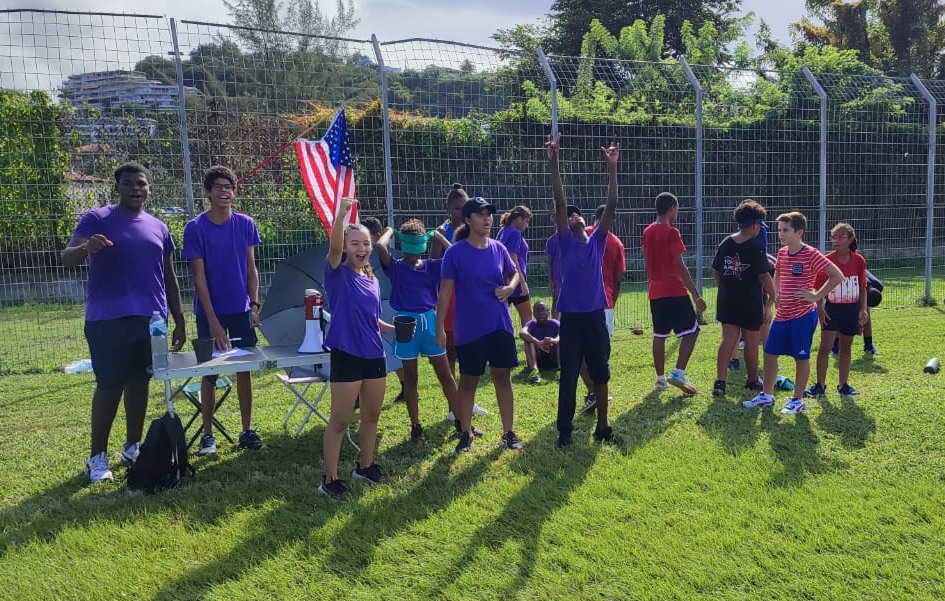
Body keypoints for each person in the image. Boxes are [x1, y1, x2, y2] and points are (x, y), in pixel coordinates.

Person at [62, 161, 186, 483]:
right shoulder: (97, 219)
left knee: (140, 382)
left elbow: (169, 278)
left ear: (149, 188)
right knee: (109, 385)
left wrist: (180, 318)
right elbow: (66, 256)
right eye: (129, 183)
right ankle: (97, 458)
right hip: (108, 320)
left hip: (152, 319)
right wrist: (86, 247)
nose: (136, 189)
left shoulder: (159, 227)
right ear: (117, 187)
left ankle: (132, 448)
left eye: (141, 184)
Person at [182, 166, 264, 456]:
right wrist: (214, 323)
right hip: (209, 315)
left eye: (229, 186)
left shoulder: (245, 224)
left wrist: (253, 305)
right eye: (218, 186)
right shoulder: (195, 228)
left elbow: (251, 269)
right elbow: (199, 279)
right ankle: (208, 435)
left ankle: (246, 430)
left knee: (244, 370)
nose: (224, 191)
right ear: (207, 192)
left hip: (240, 312)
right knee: (210, 373)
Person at [546, 134, 622, 448]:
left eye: (580, 216)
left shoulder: (598, 241)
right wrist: (554, 163)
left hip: (594, 316)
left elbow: (613, 204)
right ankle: (565, 431)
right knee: (568, 376)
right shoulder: (564, 241)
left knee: (601, 373)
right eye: (571, 216)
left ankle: (603, 427)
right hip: (573, 320)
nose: (575, 216)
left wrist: (613, 167)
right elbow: (560, 201)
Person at [435, 196, 523, 454]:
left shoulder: (498, 248)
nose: (487, 219)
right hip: (470, 329)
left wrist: (510, 288)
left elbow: (515, 273)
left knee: (503, 379)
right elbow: (445, 293)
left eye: (489, 214)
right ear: (467, 220)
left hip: (500, 324)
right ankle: (465, 433)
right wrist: (439, 327)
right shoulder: (455, 253)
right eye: (481, 214)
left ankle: (508, 433)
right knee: (468, 382)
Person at [319, 198, 392, 500]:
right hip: (347, 353)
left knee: (372, 415)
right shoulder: (337, 272)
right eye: (354, 244)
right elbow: (333, 247)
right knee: (340, 420)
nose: (361, 249)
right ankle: (330, 480)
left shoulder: (371, 279)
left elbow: (372, 319)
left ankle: (365, 465)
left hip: (374, 353)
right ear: (346, 247)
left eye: (365, 244)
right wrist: (342, 214)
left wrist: (393, 329)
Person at [743, 211, 844, 414]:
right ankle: (767, 396)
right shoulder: (782, 253)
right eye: (780, 230)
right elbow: (778, 274)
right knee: (770, 352)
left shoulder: (811, 253)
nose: (781, 234)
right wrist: (775, 296)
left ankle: (797, 401)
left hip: (803, 316)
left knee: (801, 357)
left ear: (799, 232)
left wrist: (816, 296)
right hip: (782, 315)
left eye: (786, 230)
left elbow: (837, 275)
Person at [376, 219, 462, 443]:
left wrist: (437, 236)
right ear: (404, 245)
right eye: (410, 247)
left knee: (445, 373)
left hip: (431, 322)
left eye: (417, 247)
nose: (413, 255)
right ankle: (416, 426)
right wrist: (390, 231)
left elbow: (454, 254)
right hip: (406, 323)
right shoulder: (395, 267)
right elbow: (381, 247)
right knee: (411, 377)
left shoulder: (431, 266)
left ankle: (462, 422)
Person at [431, 184, 489, 421]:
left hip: (472, 301)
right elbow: (434, 268)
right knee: (451, 354)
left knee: (470, 353)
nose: (460, 212)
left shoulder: (473, 231)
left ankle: (469, 402)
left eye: (463, 207)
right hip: (451, 300)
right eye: (456, 208)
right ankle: (452, 407)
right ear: (448, 209)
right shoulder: (440, 234)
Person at [641, 192, 707, 395]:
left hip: (655, 291)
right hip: (674, 290)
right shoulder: (672, 232)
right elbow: (680, 264)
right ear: (672, 209)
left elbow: (646, 260)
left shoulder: (647, 231)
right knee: (692, 331)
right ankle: (678, 372)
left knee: (659, 335)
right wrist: (696, 295)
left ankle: (661, 380)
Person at [711, 199, 776, 397]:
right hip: (750, 301)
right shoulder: (756, 246)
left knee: (728, 339)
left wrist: (723, 288)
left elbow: (716, 269)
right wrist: (774, 297)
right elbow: (764, 276)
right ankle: (752, 380)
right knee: (750, 340)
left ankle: (720, 382)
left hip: (727, 300)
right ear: (756, 224)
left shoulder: (726, 242)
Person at [805, 223, 869, 398]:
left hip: (851, 309)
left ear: (850, 239)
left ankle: (843, 384)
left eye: (840, 237)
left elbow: (863, 288)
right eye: (833, 237)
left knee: (846, 348)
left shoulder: (858, 260)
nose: (836, 240)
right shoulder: (827, 261)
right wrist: (819, 308)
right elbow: (815, 289)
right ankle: (820, 384)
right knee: (825, 347)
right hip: (832, 309)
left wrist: (863, 309)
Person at [360, 216, 408, 402]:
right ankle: (358, 391)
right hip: (370, 307)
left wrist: (389, 231)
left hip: (387, 303)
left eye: (367, 238)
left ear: (376, 236)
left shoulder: (383, 254)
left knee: (391, 348)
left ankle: (407, 385)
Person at [496, 205, 533, 328]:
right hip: (515, 282)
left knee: (502, 318)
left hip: (503, 280)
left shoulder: (503, 230)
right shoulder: (515, 233)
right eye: (526, 222)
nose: (527, 226)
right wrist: (522, 282)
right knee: (527, 318)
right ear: (519, 219)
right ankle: (530, 347)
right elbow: (512, 257)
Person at [519, 300, 560, 384]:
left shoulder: (554, 323)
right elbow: (522, 333)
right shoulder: (532, 324)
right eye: (537, 311)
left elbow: (563, 333)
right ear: (533, 313)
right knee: (528, 340)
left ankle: (560, 369)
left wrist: (553, 340)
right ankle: (534, 371)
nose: (540, 313)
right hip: (538, 357)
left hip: (553, 357)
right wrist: (536, 342)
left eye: (543, 310)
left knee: (561, 342)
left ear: (548, 312)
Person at [544, 212, 563, 319]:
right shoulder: (551, 241)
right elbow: (549, 261)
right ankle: (556, 324)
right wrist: (550, 279)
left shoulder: (573, 237)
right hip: (557, 276)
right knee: (556, 300)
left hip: (570, 276)